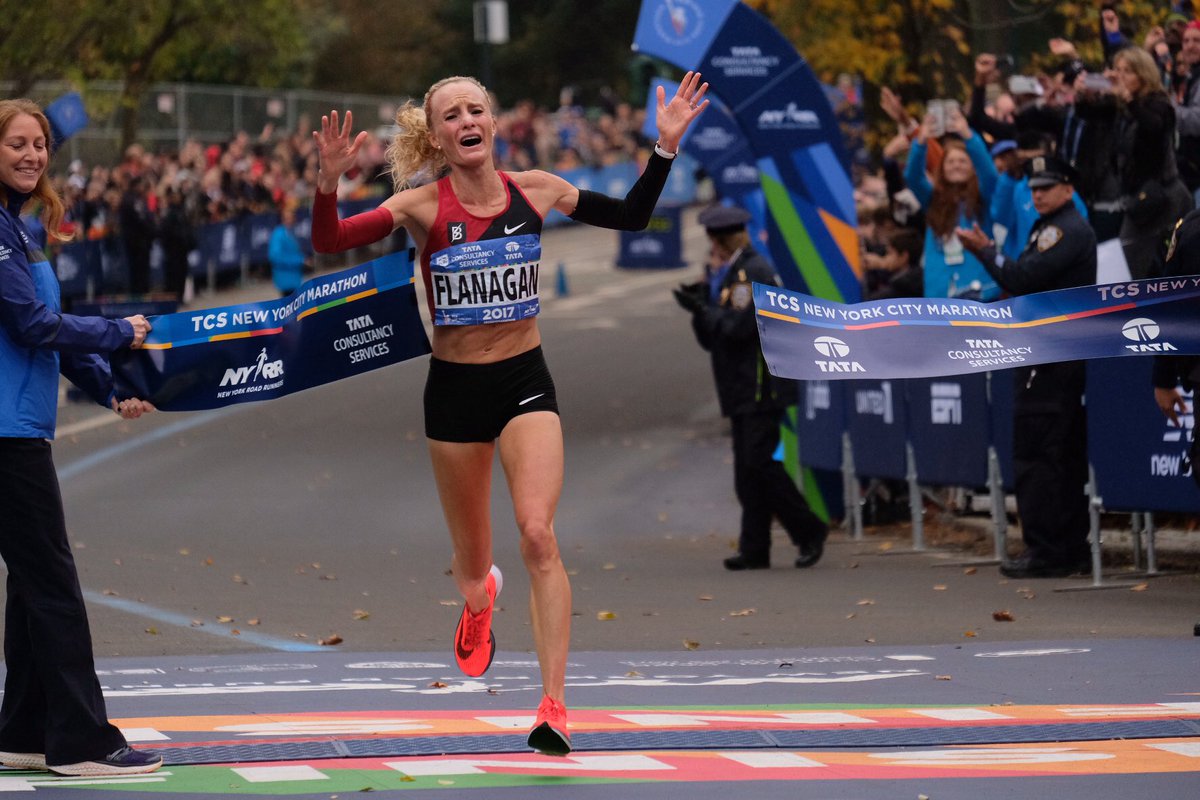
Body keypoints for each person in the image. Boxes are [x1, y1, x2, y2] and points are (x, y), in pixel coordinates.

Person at [310, 73, 709, 756]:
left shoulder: (539, 190)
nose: (467, 120)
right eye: (451, 115)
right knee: (475, 564)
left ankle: (554, 705)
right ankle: (476, 602)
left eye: (477, 109)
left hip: (525, 381)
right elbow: (331, 240)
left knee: (537, 535)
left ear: (493, 124)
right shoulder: (421, 206)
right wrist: (327, 182)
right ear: (437, 136)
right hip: (455, 393)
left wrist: (665, 150)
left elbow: (632, 215)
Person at [0, 99, 162, 776]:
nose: (32, 154)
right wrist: (119, 332)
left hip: (19, 427)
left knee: (31, 588)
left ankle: (23, 728)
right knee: (55, 587)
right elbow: (35, 326)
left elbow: (49, 331)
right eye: (16, 143)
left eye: (39, 143)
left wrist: (110, 385)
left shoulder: (20, 230)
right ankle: (81, 742)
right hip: (5, 437)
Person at [956, 155, 1097, 579]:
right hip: (1056, 355)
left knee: (1038, 455)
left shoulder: (1064, 230)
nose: (1037, 195)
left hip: (1048, 358)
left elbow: (1023, 278)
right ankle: (1068, 548)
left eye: (1046, 187)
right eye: (1033, 188)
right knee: (1061, 456)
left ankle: (1047, 551)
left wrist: (985, 253)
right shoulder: (1052, 227)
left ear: (1068, 189)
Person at [672, 204, 828, 571]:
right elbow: (713, 338)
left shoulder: (750, 273)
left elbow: (738, 328)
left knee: (760, 466)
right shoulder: (730, 273)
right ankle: (755, 547)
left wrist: (704, 311)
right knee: (747, 473)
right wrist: (702, 308)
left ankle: (809, 529)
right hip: (741, 386)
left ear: (721, 240)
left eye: (713, 242)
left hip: (760, 386)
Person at [903, 106, 1001, 300]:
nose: (956, 165)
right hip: (942, 293)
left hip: (982, 290)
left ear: (972, 167)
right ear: (942, 168)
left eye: (963, 161)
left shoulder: (983, 196)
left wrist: (968, 135)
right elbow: (912, 176)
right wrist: (921, 141)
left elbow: (989, 174)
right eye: (951, 162)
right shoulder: (932, 198)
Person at [1151, 209, 1200, 489]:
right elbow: (1170, 303)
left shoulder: (1191, 229)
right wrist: (1164, 378)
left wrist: (1163, 379)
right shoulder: (1192, 229)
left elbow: (1170, 305)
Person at [268, 201, 307, 297]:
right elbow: (275, 256)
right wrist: (300, 260)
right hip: (286, 279)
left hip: (294, 278)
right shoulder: (279, 233)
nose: (291, 220)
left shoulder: (290, 232)